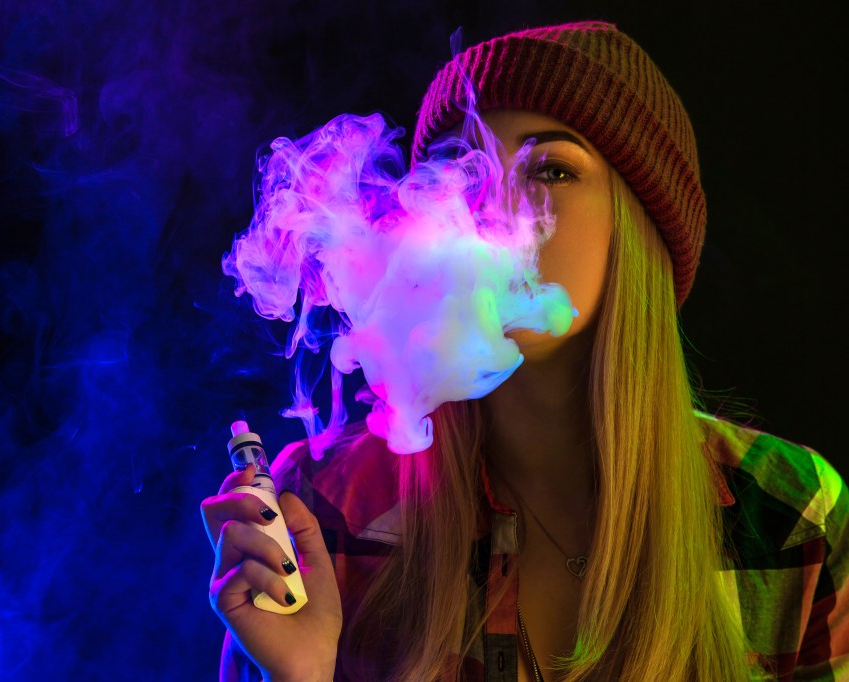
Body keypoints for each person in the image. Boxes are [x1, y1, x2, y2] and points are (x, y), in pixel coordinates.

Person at [201, 21, 849, 682]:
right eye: (457, 171)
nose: (492, 208)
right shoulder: (325, 511)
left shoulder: (790, 514)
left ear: (640, 230)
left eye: (550, 169)